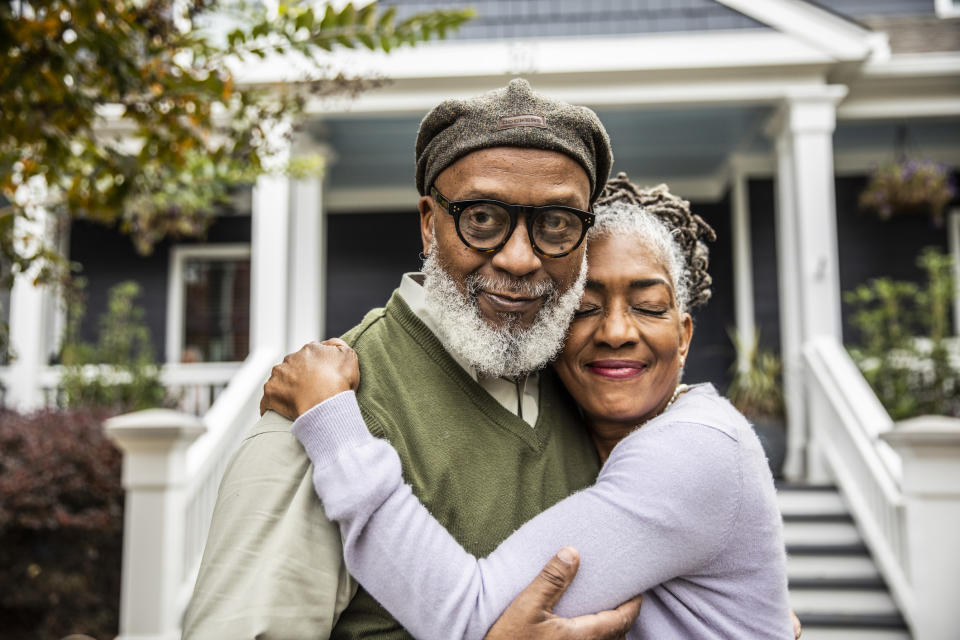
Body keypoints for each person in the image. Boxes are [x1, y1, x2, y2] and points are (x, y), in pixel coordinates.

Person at [182, 79, 642, 640]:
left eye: (556, 224)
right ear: (429, 221)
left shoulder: (591, 396)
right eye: (482, 218)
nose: (521, 259)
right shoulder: (325, 414)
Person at [263, 178, 795, 639]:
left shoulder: (693, 450)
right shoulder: (574, 427)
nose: (614, 331)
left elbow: (470, 615)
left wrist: (332, 423)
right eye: (585, 307)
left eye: (649, 306)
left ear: (684, 337)